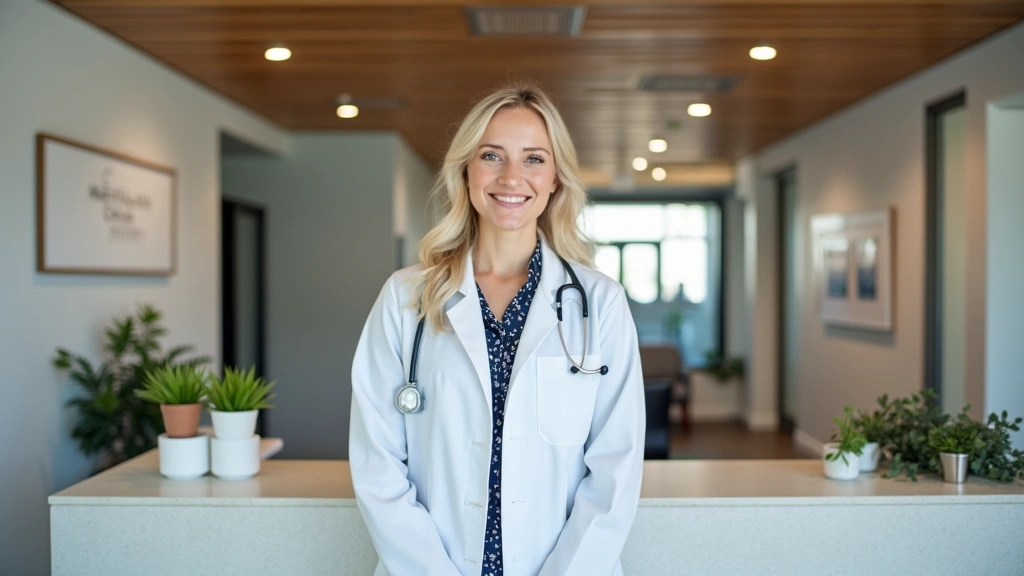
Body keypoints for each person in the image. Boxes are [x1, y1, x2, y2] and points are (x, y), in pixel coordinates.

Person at [349, 84, 645, 576]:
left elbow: (616, 469)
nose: (512, 176)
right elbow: (377, 465)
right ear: (466, 171)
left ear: (555, 180)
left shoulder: (600, 304)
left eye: (533, 159)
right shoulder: (405, 299)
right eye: (492, 155)